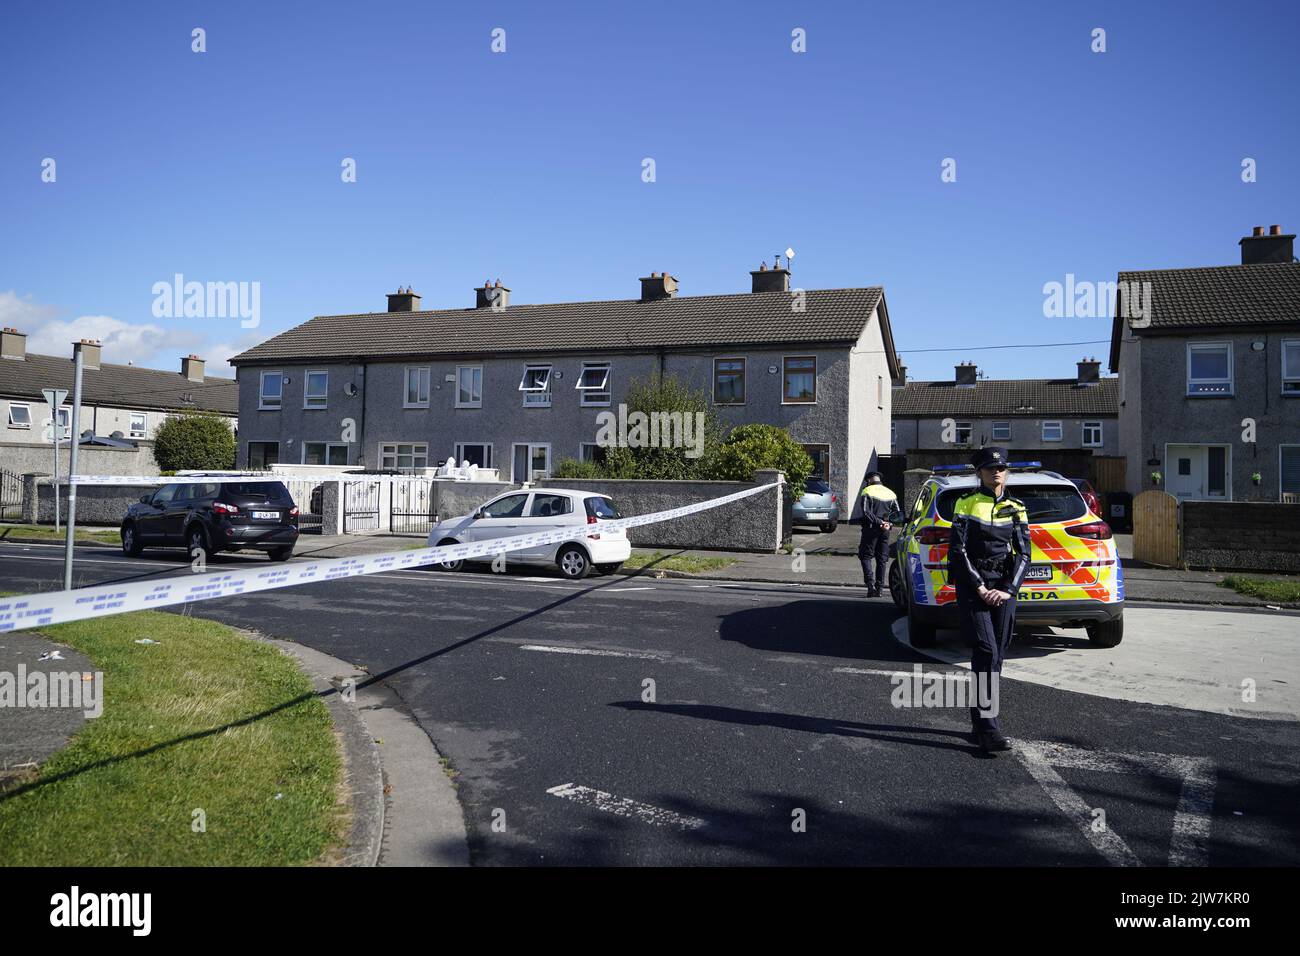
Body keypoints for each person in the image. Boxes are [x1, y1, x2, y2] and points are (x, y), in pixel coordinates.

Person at [946, 447, 1031, 754]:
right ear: (979, 472)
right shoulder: (966, 503)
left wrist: (1008, 588)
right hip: (974, 587)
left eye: (1001, 468)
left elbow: (1024, 552)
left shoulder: (1017, 507)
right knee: (985, 649)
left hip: (1004, 589)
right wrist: (980, 587)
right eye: (990, 468)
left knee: (996, 656)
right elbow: (958, 551)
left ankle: (979, 721)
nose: (997, 472)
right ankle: (989, 728)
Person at [857, 471, 898, 598]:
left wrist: (879, 522)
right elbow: (897, 513)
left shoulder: (867, 491)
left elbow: (866, 512)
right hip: (885, 530)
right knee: (882, 559)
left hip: (870, 529)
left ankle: (870, 586)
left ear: (869, 480)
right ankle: (880, 589)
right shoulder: (890, 493)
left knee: (865, 556)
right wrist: (888, 524)